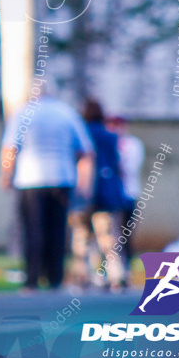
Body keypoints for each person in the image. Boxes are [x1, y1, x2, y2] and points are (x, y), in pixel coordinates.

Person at [0, 89, 94, 291]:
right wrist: (84, 183)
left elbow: (10, 148)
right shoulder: (67, 113)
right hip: (62, 177)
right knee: (58, 230)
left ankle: (32, 279)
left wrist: (6, 175)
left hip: (29, 179)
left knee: (32, 230)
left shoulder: (23, 113)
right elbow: (85, 150)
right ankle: (55, 278)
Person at [68, 99, 125, 291]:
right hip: (105, 193)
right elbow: (117, 165)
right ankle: (116, 275)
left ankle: (83, 275)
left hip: (82, 192)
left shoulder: (79, 135)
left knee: (81, 236)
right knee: (108, 237)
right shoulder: (110, 136)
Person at [108, 115, 144, 279]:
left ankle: (127, 267)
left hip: (128, 193)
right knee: (110, 234)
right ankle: (111, 270)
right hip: (111, 195)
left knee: (126, 233)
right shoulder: (108, 143)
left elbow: (129, 167)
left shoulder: (133, 144)